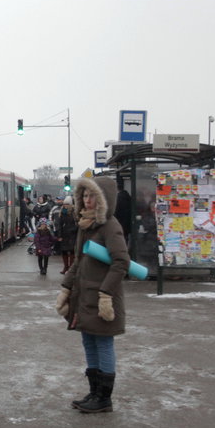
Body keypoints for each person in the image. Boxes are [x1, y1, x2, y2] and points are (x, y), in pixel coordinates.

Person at [55, 176, 129, 413]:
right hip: (84, 297)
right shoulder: (85, 224)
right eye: (85, 196)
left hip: (102, 298)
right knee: (88, 341)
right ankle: (94, 392)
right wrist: (66, 287)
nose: (87, 201)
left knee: (104, 343)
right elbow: (78, 262)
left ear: (104, 199)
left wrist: (106, 293)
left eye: (92, 196)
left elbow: (121, 262)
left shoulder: (110, 226)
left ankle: (104, 398)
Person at [56, 196, 78, 274]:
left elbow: (77, 223)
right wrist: (59, 235)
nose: (65, 205)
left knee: (72, 251)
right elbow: (59, 224)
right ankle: (66, 267)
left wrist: (73, 229)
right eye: (64, 204)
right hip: (64, 234)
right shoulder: (62, 212)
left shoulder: (74, 212)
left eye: (67, 204)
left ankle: (70, 267)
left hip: (72, 234)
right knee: (64, 251)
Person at [114, 180, 132, 245]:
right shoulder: (128, 196)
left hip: (120, 224)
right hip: (128, 224)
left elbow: (115, 213)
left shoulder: (118, 199)